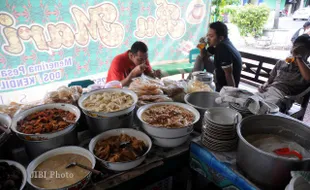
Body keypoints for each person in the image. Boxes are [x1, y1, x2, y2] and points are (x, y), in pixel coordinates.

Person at [257, 34, 310, 111]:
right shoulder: (282, 62)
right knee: (245, 102)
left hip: (283, 98)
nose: (296, 49)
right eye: (295, 46)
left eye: (301, 48)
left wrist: (298, 58)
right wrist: (264, 85)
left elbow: (308, 77)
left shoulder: (307, 69)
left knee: (261, 110)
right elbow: (269, 80)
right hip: (267, 91)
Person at [205, 21, 242, 92]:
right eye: (208, 35)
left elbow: (229, 74)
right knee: (199, 58)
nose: (208, 38)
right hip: (218, 75)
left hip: (224, 87)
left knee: (200, 58)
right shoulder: (219, 43)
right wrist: (202, 45)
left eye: (211, 36)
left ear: (221, 38)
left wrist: (232, 94)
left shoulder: (223, 48)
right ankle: (193, 80)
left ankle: (192, 82)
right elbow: (204, 56)